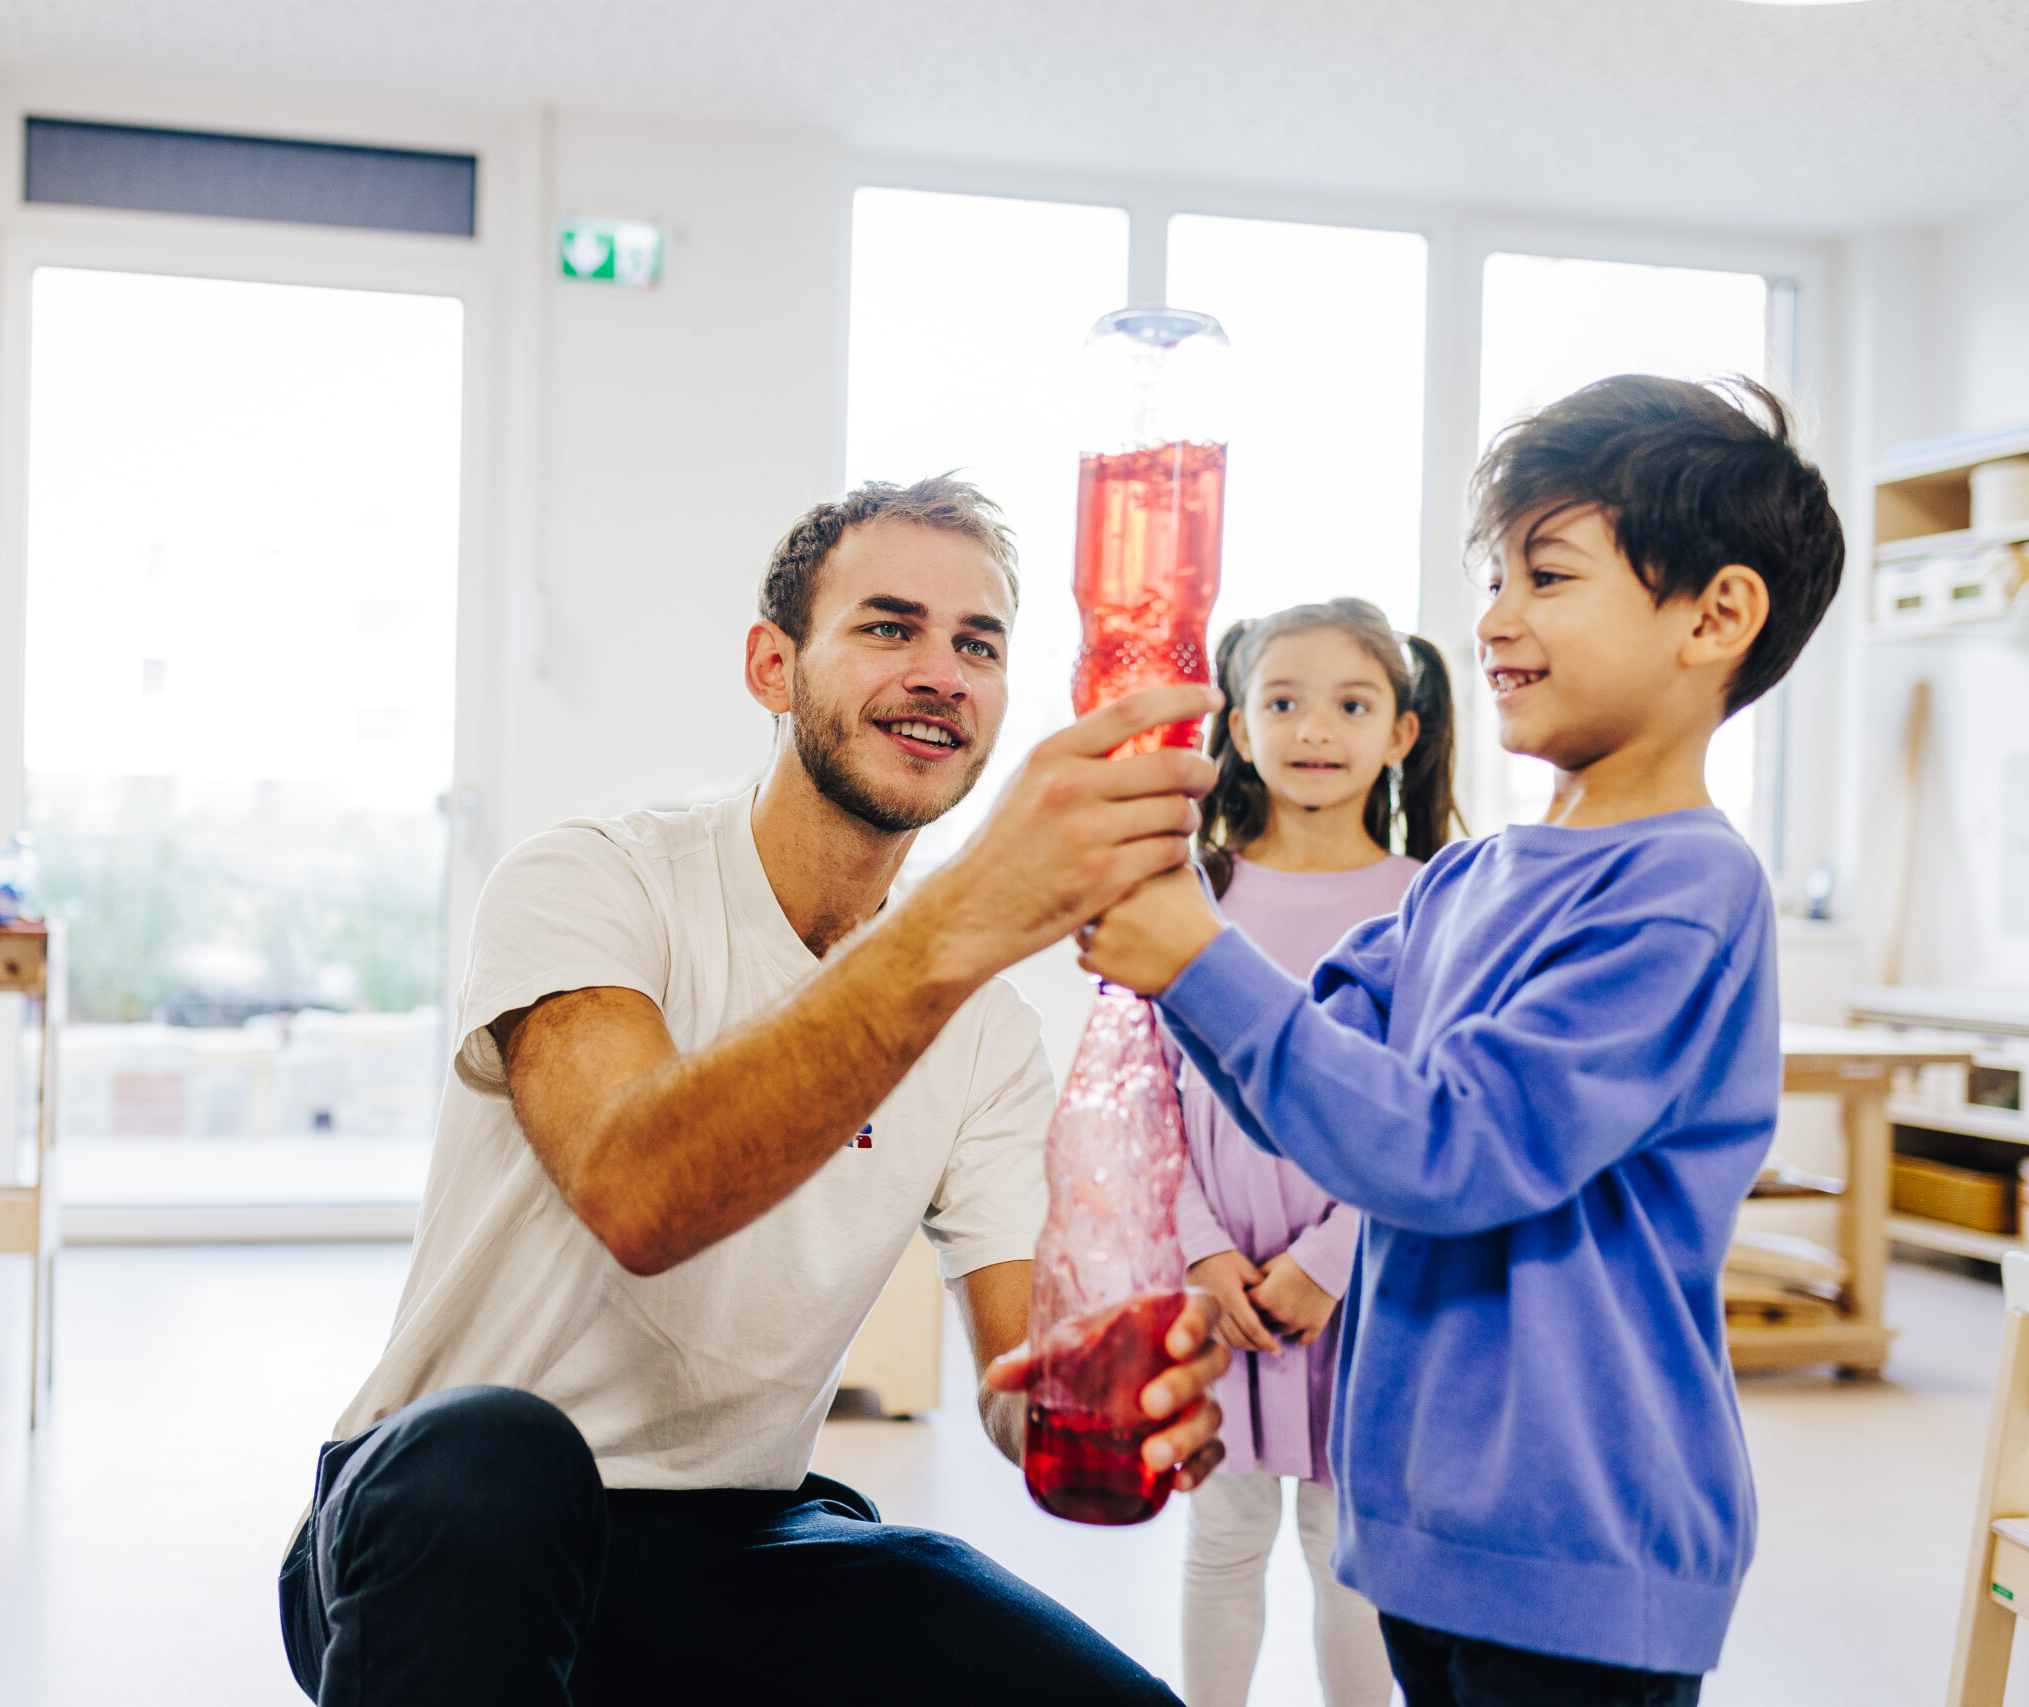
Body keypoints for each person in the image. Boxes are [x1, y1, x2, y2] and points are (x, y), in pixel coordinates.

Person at [279, 474, 1232, 1707]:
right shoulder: (592, 883)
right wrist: (965, 916)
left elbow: (1023, 1384)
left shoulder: (988, 1033)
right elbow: (640, 1195)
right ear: (771, 668)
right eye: (889, 627)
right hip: (438, 1530)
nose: (941, 673)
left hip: (730, 1545)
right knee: (494, 1452)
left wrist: (1106, 1405)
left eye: (978, 645)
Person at [1081, 375, 1844, 1707]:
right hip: (1420, 1527)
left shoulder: (1681, 891)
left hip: (1576, 1550)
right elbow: (1304, 1096)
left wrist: (1195, 955)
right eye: (1493, 578)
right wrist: (1169, 924)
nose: (1493, 619)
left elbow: (1446, 1149)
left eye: (1547, 575)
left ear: (1715, 616)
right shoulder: (1458, 883)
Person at [1173, 599, 1458, 1707]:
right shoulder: (1195, 890)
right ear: (1240, 728)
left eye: (1350, 703)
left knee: (1348, 1552)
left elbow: (1436, 1109)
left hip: (1366, 1289)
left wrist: (1330, 1262)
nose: (1315, 729)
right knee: (1222, 1536)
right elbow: (1145, 1092)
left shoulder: (1430, 901)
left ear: (1401, 732)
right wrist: (1202, 1254)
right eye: (1283, 702)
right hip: (1219, 1290)